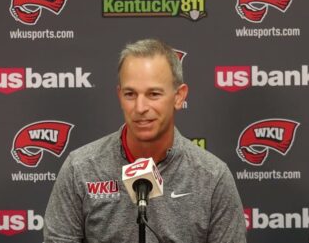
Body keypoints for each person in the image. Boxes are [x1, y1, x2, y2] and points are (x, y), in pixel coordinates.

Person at [43, 39, 247, 243]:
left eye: (154, 94)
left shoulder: (212, 177)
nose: (140, 107)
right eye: (130, 94)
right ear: (119, 96)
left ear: (179, 96)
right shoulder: (80, 168)